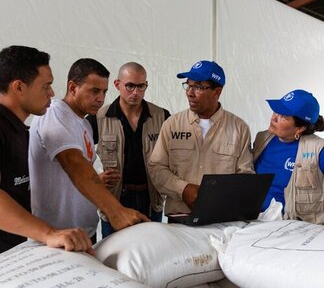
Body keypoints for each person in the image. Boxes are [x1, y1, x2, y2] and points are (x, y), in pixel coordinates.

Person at [29, 58, 149, 244]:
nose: (101, 98)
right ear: (72, 87)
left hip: (84, 231)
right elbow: (73, 163)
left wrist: (96, 180)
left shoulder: (85, 124)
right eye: (94, 91)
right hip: (56, 234)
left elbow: (74, 173)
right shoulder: (54, 113)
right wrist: (115, 211)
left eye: (104, 92)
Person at [0, 45, 93, 254]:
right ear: (19, 87)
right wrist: (48, 233)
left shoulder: (20, 131)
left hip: (12, 254)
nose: (51, 93)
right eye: (46, 86)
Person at [148, 60, 254, 217]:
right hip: (180, 218)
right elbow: (156, 167)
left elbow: (245, 177)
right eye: (188, 85)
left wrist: (217, 198)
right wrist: (183, 189)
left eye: (198, 87)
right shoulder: (172, 124)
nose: (190, 93)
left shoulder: (239, 128)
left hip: (222, 219)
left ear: (217, 92)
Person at [87, 62, 170, 237]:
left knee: (153, 252)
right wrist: (94, 179)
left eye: (141, 86)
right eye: (130, 86)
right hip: (115, 199)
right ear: (117, 85)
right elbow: (78, 156)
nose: (136, 92)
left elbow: (174, 156)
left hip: (151, 198)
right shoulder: (98, 118)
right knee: (114, 256)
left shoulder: (162, 116)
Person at [253, 89, 324, 224]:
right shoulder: (262, 138)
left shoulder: (318, 149)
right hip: (252, 219)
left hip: (292, 228)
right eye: (276, 111)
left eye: (284, 116)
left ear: (300, 128)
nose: (274, 118)